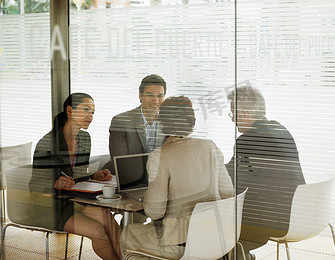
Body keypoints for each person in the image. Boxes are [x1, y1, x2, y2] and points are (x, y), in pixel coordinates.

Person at [120, 96, 234, 259]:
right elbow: (228, 192)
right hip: (217, 237)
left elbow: (155, 212)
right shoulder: (210, 146)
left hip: (183, 243)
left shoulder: (159, 156)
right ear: (192, 122)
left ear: (162, 123)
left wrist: (148, 195)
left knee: (128, 233)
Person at [29, 93, 122, 260]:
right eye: (86, 110)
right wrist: (55, 183)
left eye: (93, 112)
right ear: (70, 110)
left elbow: (77, 175)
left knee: (106, 217)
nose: (90, 116)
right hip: (47, 206)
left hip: (72, 201)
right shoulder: (47, 143)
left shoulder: (85, 139)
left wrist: (95, 175)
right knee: (97, 231)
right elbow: (34, 185)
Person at [226, 85, 305, 259]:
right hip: (300, 214)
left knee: (219, 232)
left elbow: (230, 181)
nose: (232, 120)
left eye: (233, 114)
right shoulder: (281, 130)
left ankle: (240, 255)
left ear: (245, 113)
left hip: (273, 221)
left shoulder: (246, 141)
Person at [104, 74, 167, 173]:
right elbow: (121, 163)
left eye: (160, 96)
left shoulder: (168, 123)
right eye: (150, 95)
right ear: (140, 96)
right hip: (127, 178)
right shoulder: (121, 121)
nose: (156, 101)